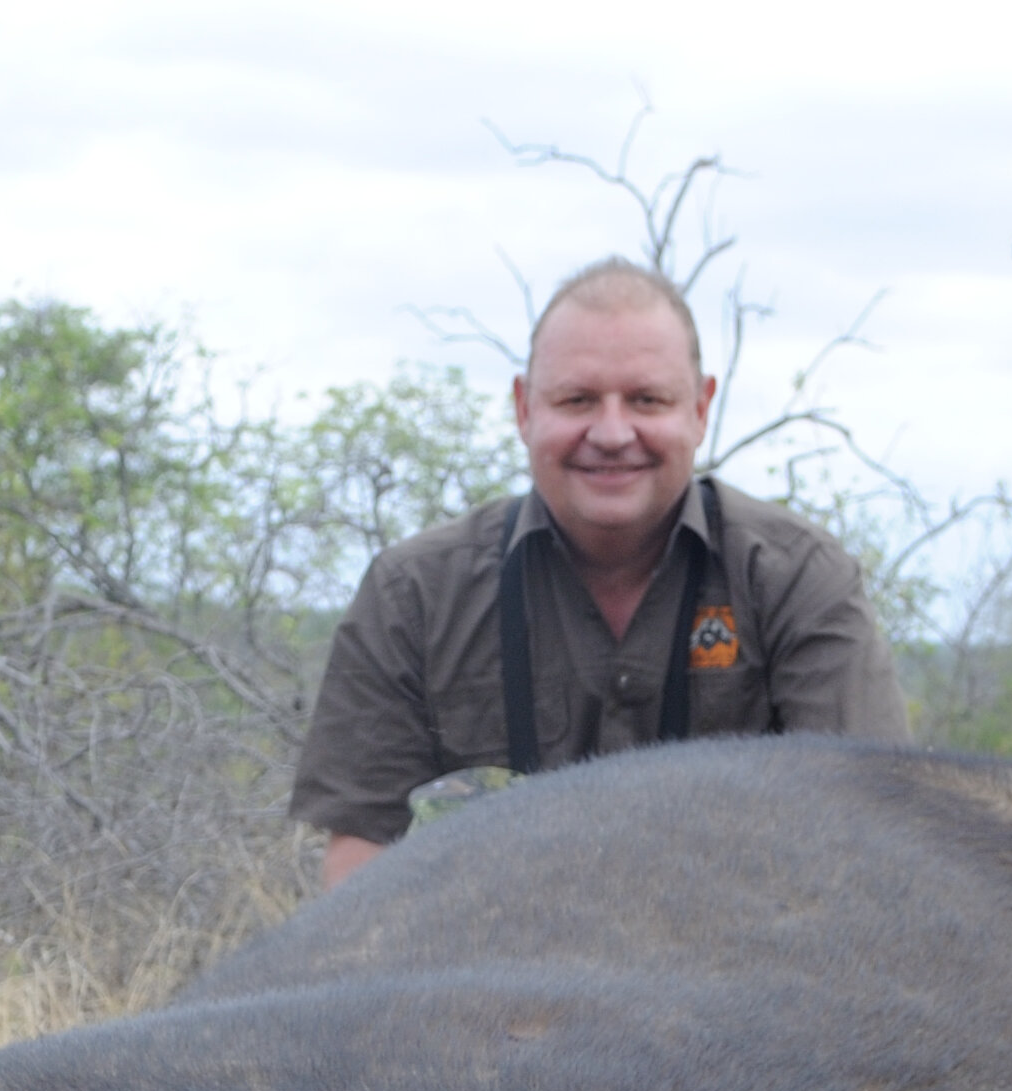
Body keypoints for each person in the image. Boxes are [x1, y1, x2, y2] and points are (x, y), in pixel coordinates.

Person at [290, 257, 911, 887]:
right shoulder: (413, 595)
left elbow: (868, 838)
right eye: (577, 399)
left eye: (647, 400)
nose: (612, 433)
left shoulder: (799, 581)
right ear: (524, 408)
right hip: (484, 973)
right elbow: (358, 862)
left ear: (700, 408)